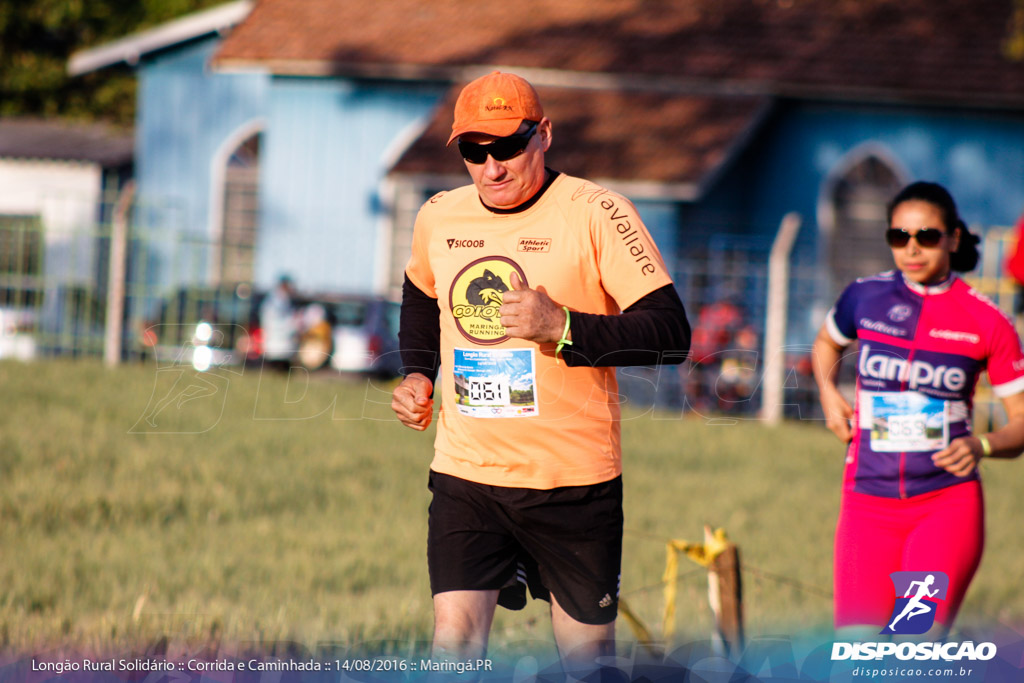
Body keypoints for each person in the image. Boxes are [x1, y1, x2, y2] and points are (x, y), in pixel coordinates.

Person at [390, 71, 690, 673]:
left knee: (586, 661)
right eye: (475, 152)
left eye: (507, 147)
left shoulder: (598, 212)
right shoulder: (439, 215)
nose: (491, 167)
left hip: (573, 482)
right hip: (467, 473)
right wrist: (418, 372)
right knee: (452, 644)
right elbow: (421, 293)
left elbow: (670, 333)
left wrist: (565, 328)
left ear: (543, 135)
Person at [812, 181, 1024, 639]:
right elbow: (827, 343)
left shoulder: (987, 321)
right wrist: (829, 394)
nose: (912, 249)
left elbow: (1022, 421)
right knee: (857, 655)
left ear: (951, 238)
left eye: (926, 236)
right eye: (898, 237)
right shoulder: (864, 297)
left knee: (913, 648)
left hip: (944, 507)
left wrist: (982, 443)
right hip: (866, 503)